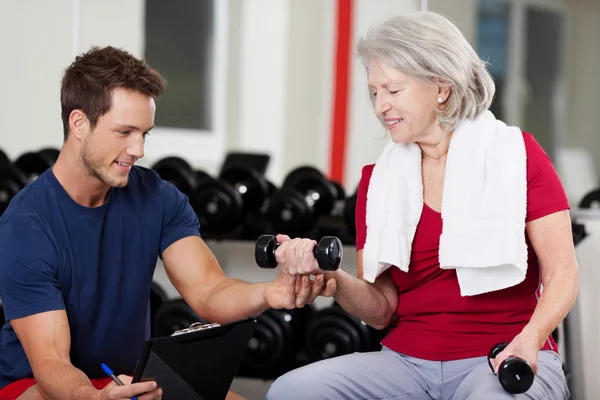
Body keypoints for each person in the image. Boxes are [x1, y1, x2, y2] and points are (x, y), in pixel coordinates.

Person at [265, 11, 578, 400]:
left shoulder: (518, 156)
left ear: (441, 88)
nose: (380, 106)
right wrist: (332, 278)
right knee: (291, 390)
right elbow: (381, 309)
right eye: (375, 92)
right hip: (406, 363)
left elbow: (564, 273)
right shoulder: (379, 183)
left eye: (393, 91)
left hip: (504, 353)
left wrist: (530, 340)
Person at [0, 46, 334, 400]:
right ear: (79, 123)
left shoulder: (156, 197)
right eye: (124, 132)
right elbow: (52, 363)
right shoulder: (26, 225)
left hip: (131, 380)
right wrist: (96, 397)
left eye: (145, 133)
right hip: (42, 387)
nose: (139, 149)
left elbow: (208, 291)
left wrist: (268, 293)